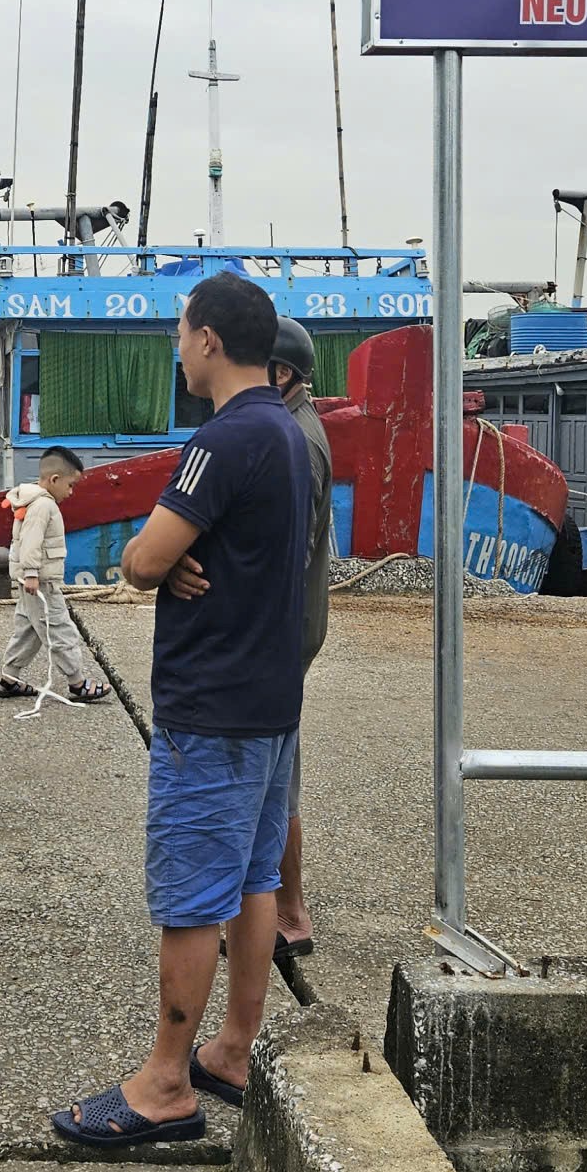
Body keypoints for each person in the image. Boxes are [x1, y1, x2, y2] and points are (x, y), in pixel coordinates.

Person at [51, 273, 308, 1148]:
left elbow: (142, 558)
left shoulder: (223, 438)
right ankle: (232, 1050)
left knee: (194, 894)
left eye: (179, 330)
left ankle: (165, 1082)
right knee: (255, 876)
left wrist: (157, 554)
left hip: (214, 705)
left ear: (206, 340)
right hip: (272, 699)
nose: (175, 345)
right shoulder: (284, 430)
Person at [267, 317, 333, 960]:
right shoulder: (294, 426)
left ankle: (289, 912)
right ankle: (281, 908)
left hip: (283, 632)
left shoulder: (295, 439)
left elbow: (287, 553)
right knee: (276, 771)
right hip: (292, 626)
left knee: (276, 776)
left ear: (281, 373)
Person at [0, 446, 110, 704]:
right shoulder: (43, 506)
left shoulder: (32, 502)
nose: (71, 493)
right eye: (70, 485)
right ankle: (77, 682)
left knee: (28, 629)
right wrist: (31, 573)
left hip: (33, 580)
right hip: (41, 582)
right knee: (59, 628)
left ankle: (10, 677)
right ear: (55, 480)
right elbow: (31, 541)